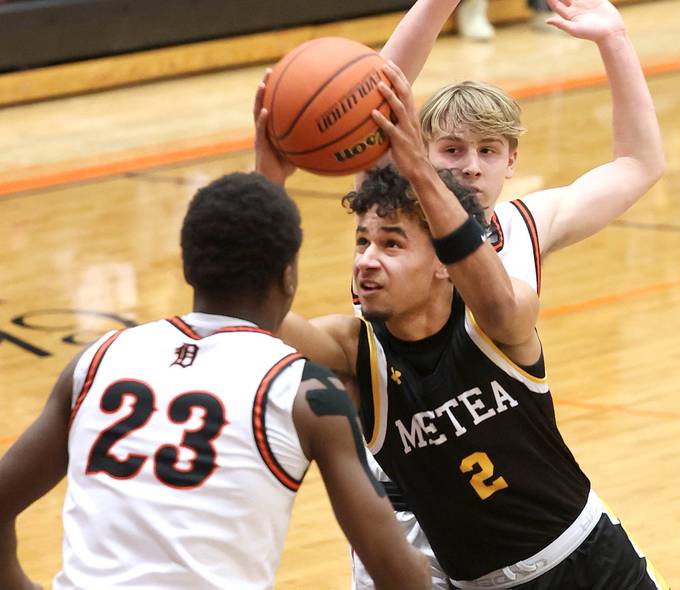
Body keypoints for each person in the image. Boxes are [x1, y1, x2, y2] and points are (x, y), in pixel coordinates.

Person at [256, 41, 668, 587]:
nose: (369, 258)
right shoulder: (367, 319)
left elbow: (637, 165)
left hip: (579, 555)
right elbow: (258, 318)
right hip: (414, 527)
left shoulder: (504, 299)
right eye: (362, 242)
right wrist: (268, 179)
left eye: (488, 152)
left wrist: (612, 35)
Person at [0, 173, 431, 590]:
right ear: (289, 276)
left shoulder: (96, 359)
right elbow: (397, 576)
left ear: (187, 267)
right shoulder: (307, 392)